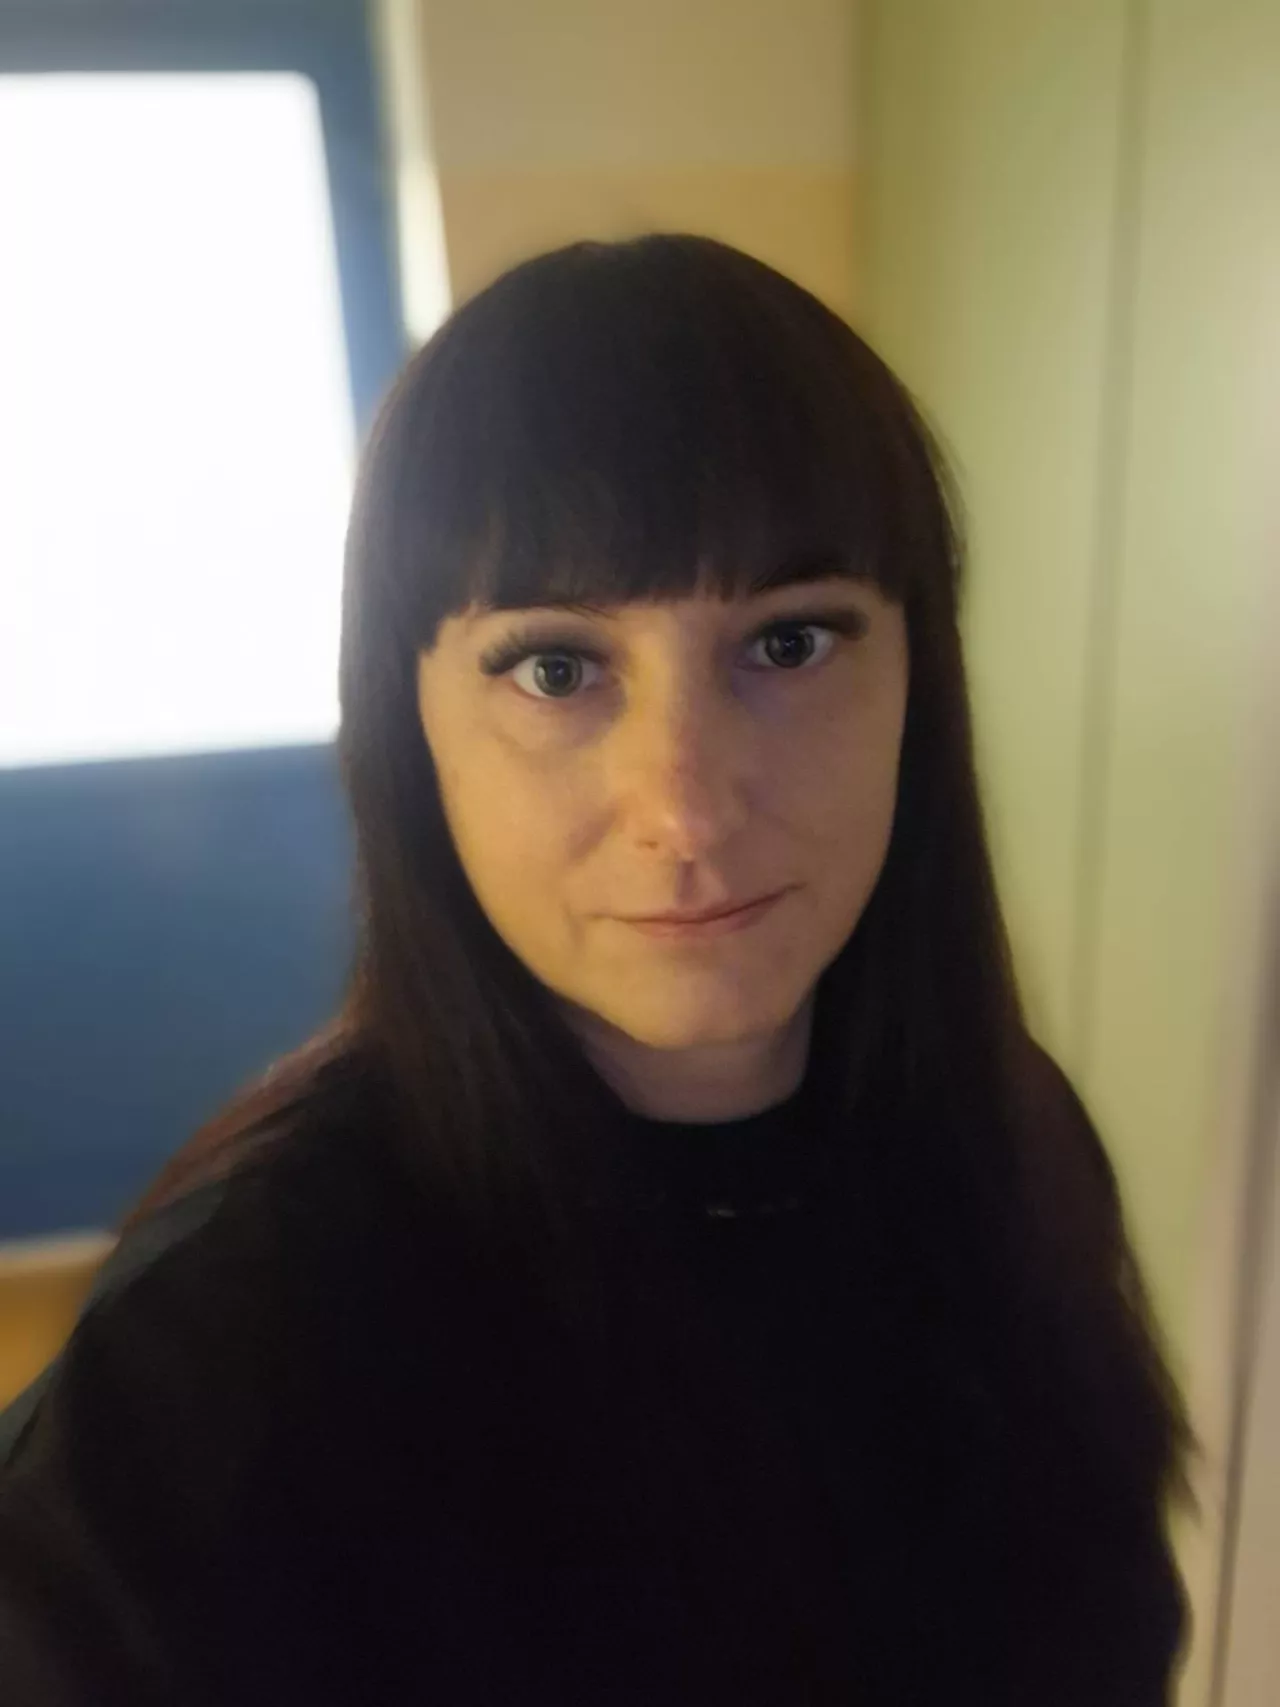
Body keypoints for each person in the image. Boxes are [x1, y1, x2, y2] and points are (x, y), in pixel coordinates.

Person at [0, 235, 1190, 1705]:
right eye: (557, 668)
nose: (685, 808)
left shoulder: (1016, 1149)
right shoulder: (223, 1358)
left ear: (917, 684)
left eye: (790, 643)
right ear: (412, 733)